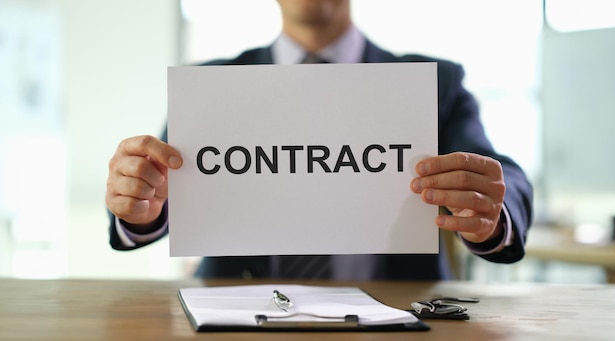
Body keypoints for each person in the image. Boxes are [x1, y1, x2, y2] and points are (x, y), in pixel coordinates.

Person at [106, 0, 533, 280]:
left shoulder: (435, 82)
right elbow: (158, 196)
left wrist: (490, 207)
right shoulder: (209, 86)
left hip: (402, 316)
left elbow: (502, 176)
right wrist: (140, 205)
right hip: (234, 317)